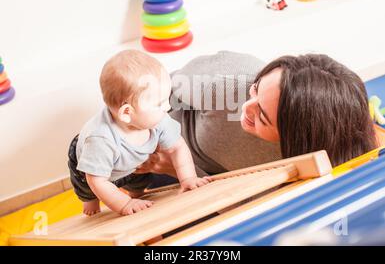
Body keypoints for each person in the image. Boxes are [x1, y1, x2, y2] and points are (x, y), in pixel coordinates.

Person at [135, 51, 378, 180]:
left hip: (202, 181)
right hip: (162, 152)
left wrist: (177, 169)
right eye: (256, 89)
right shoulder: (223, 84)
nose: (244, 108)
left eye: (262, 117)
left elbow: (239, 207)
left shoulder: (317, 161)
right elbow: (157, 90)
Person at [68, 50, 209, 216]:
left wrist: (188, 179)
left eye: (166, 100)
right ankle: (90, 202)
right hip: (89, 166)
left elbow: (177, 147)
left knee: (139, 182)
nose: (167, 108)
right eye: (159, 104)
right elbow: (96, 180)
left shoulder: (159, 119)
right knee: (88, 190)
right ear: (127, 113)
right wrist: (125, 204)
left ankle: (135, 194)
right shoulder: (100, 139)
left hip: (132, 164)